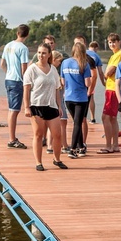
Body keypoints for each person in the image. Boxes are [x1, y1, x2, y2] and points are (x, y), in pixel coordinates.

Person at [23, 43, 68, 171]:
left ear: (49, 55)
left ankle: (57, 159)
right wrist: (27, 107)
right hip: (37, 105)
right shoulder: (32, 69)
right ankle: (38, 162)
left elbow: (57, 88)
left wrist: (59, 106)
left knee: (57, 134)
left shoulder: (53, 69)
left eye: (43, 53)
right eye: (39, 53)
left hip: (52, 105)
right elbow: (26, 89)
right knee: (38, 134)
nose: (40, 55)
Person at [1, 24, 30, 148]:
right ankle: (12, 139)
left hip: (8, 79)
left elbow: (2, 63)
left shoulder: (8, 45)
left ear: (17, 33)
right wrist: (26, 82)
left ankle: (12, 137)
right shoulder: (23, 48)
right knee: (14, 110)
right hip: (17, 81)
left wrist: (8, 73)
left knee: (11, 109)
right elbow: (24, 67)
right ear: (27, 35)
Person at [60, 42, 91, 159]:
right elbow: (87, 83)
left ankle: (81, 147)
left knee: (76, 121)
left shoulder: (65, 62)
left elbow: (62, 82)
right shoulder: (84, 64)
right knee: (78, 123)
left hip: (68, 97)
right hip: (80, 98)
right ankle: (73, 149)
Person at [100, 33, 121, 153]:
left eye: (114, 41)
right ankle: (115, 145)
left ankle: (108, 146)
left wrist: (105, 74)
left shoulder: (119, 55)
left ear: (119, 42)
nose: (112, 44)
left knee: (105, 117)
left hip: (112, 89)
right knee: (113, 118)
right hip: (114, 89)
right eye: (110, 42)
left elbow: (109, 71)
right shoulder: (116, 55)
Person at [73, 35, 99, 146]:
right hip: (72, 94)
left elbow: (94, 76)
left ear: (84, 44)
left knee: (82, 118)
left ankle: (83, 142)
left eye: (81, 43)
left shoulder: (89, 59)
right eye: (76, 43)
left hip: (84, 93)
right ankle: (77, 141)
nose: (79, 45)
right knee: (75, 119)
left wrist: (90, 90)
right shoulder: (71, 60)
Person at [50, 50, 71, 153]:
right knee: (63, 122)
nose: (60, 63)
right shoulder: (53, 70)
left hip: (52, 101)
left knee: (50, 123)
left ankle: (50, 146)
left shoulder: (48, 69)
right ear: (54, 60)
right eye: (59, 61)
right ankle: (64, 145)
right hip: (58, 101)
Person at [87, 40, 103, 124]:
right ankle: (92, 118)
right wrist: (104, 83)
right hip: (91, 78)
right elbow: (100, 72)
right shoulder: (97, 56)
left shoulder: (83, 52)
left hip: (81, 77)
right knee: (91, 97)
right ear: (96, 48)